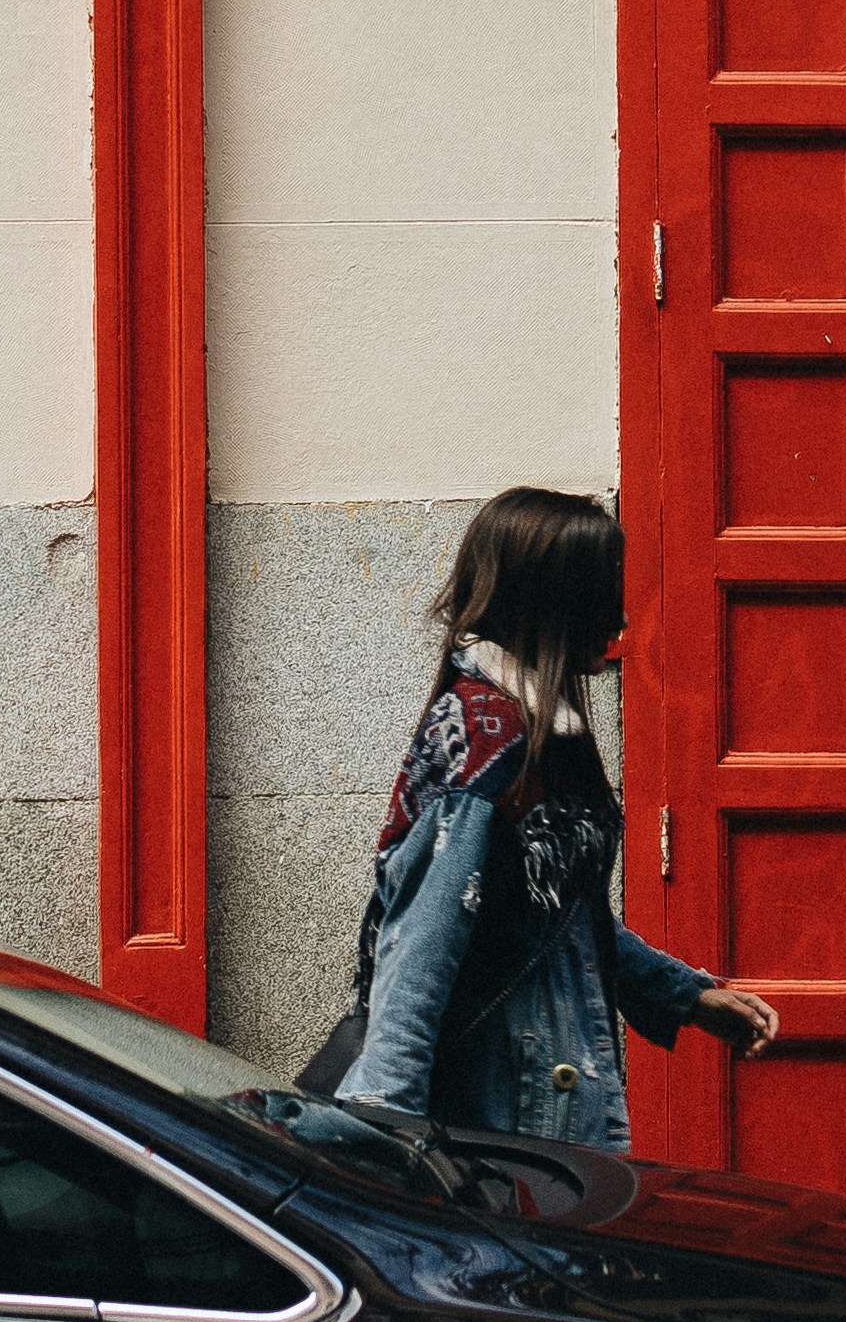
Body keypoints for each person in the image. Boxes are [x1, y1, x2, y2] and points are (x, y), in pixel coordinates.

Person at [320, 486, 781, 1148]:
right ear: (550, 599)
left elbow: (557, 915)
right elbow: (417, 952)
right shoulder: (484, 740)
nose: (617, 614)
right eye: (600, 590)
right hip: (517, 1129)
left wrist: (684, 994)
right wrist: (383, 1144)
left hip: (552, 1107)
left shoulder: (540, 730)